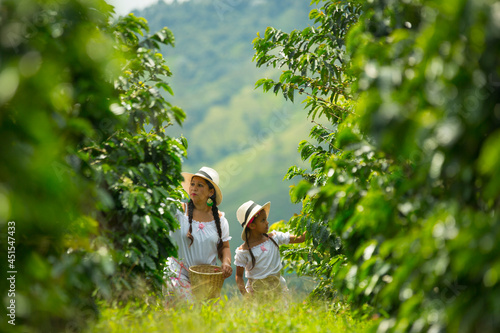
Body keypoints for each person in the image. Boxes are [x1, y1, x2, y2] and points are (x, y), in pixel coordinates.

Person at [164, 166, 232, 301]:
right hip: (178, 274)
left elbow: (225, 247)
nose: (194, 188)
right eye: (192, 184)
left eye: (200, 185)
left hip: (206, 279)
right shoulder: (177, 211)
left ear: (210, 192)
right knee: (191, 308)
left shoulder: (220, 220)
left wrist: (226, 263)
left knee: (206, 317)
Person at [234, 200, 306, 300]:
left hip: (278, 289)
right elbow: (239, 276)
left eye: (266, 219)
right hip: (257, 294)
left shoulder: (275, 238)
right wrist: (246, 295)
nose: (267, 222)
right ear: (252, 226)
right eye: (263, 220)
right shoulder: (243, 252)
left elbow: (300, 238)